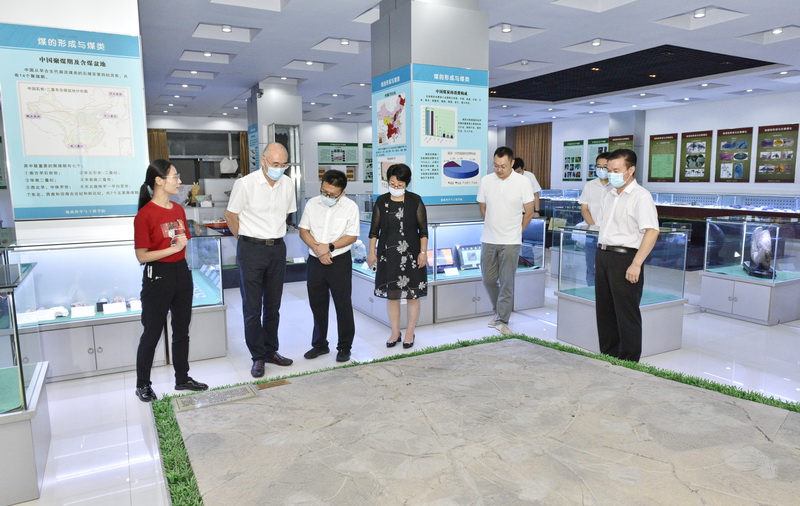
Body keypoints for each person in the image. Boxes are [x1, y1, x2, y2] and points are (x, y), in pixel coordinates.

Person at [133, 159, 208, 402]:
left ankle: (182, 378)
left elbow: (182, 242)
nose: (179, 181)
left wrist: (178, 253)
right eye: (175, 176)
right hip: (158, 276)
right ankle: (143, 384)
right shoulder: (145, 215)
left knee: (182, 330)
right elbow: (142, 256)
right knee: (152, 332)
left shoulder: (178, 209)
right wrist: (172, 249)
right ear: (159, 180)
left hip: (181, 273)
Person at [224, 143, 297, 378]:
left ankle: (271, 350)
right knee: (253, 307)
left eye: (283, 164)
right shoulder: (245, 184)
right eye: (275, 164)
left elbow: (285, 213)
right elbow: (230, 216)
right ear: (263, 161)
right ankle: (257, 356)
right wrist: (245, 239)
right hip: (251, 249)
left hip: (277, 248)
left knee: (273, 306)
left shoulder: (287, 184)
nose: (279, 168)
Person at [595, 149, 660, 362]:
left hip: (625, 258)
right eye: (609, 170)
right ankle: (609, 356)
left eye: (616, 170)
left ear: (631, 170)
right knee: (605, 311)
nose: (611, 174)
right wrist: (600, 256)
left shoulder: (641, 196)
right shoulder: (609, 194)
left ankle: (629, 362)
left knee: (626, 313)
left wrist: (636, 264)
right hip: (604, 255)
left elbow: (652, 231)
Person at [299, 169, 360, 363]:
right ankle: (319, 344)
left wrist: (329, 247)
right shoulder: (312, 203)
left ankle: (344, 347)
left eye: (332, 194)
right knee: (317, 304)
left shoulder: (350, 207)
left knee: (343, 305)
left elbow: (352, 236)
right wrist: (319, 250)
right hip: (315, 260)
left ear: (342, 192)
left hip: (339, 261)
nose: (327, 196)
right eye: (324, 192)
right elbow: (304, 230)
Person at [366, 163, 428, 349]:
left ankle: (410, 332)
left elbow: (423, 230)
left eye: (400, 184)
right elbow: (374, 231)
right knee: (392, 295)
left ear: (407, 183)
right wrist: (371, 252)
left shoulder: (415, 200)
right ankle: (395, 332)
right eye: (392, 183)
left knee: (412, 295)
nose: (396, 187)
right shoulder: (382, 201)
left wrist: (423, 253)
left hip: (412, 254)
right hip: (388, 254)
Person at [478, 147, 535, 335]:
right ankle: (498, 311)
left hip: (511, 241)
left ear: (512, 163)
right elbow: (483, 206)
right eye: (495, 165)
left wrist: (517, 231)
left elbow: (529, 211)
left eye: (503, 166)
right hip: (489, 238)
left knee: (506, 282)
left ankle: (502, 319)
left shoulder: (523, 182)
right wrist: (491, 223)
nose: (499, 169)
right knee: (488, 279)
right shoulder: (486, 180)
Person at [578, 152, 610, 285]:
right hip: (592, 234)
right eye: (598, 166)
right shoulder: (589, 185)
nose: (601, 169)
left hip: (610, 235)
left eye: (605, 166)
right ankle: (591, 292)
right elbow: (584, 208)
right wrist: (594, 227)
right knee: (591, 267)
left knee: (607, 269)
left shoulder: (616, 186)